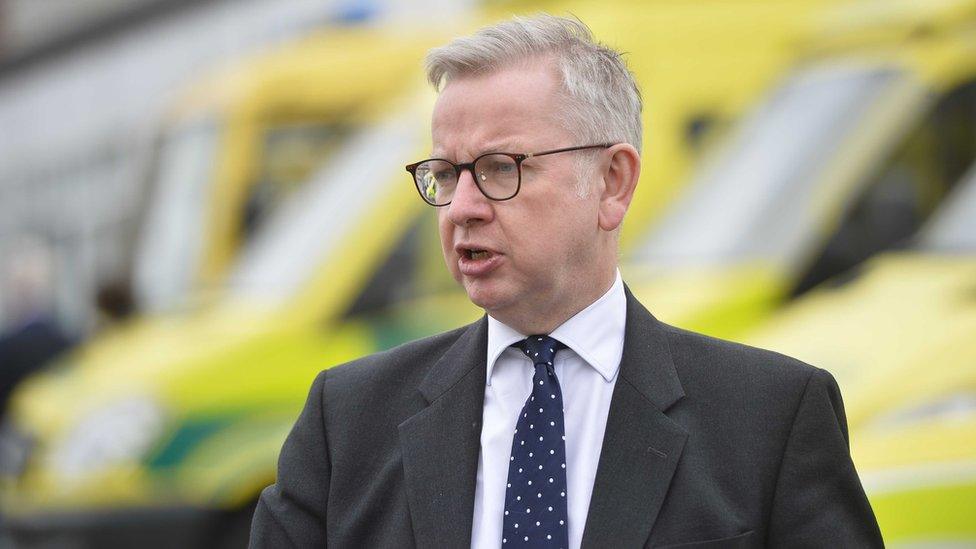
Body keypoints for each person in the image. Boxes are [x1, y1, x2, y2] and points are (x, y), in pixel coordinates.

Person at [250, 15, 883, 548]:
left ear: (613, 182)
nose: (462, 207)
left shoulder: (769, 415)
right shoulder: (350, 417)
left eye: (500, 168)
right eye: (446, 174)